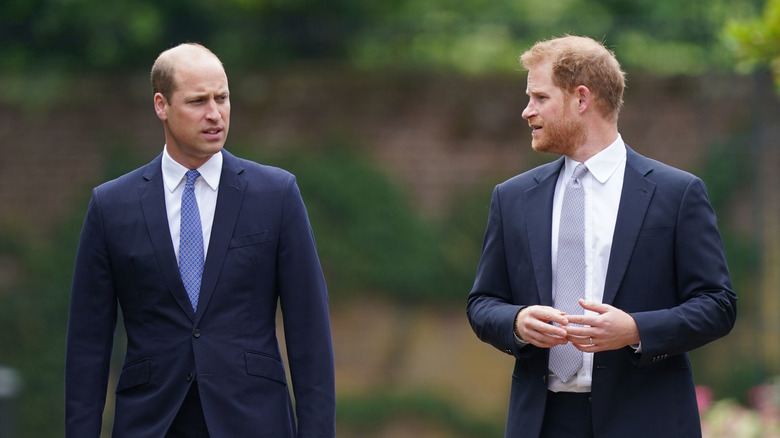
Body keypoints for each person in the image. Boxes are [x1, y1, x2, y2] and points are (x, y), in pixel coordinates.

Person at [466, 35, 737, 438]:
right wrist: (518, 322)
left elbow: (718, 306)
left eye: (539, 97)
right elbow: (482, 303)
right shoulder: (512, 197)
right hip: (541, 423)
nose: (526, 111)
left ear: (581, 99)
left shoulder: (677, 193)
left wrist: (635, 330)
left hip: (647, 421)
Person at [65, 43, 335, 437]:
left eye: (222, 98)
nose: (215, 114)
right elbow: (87, 347)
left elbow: (310, 334)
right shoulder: (111, 206)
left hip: (255, 421)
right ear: (162, 105)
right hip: (151, 423)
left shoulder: (276, 194)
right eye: (197, 101)